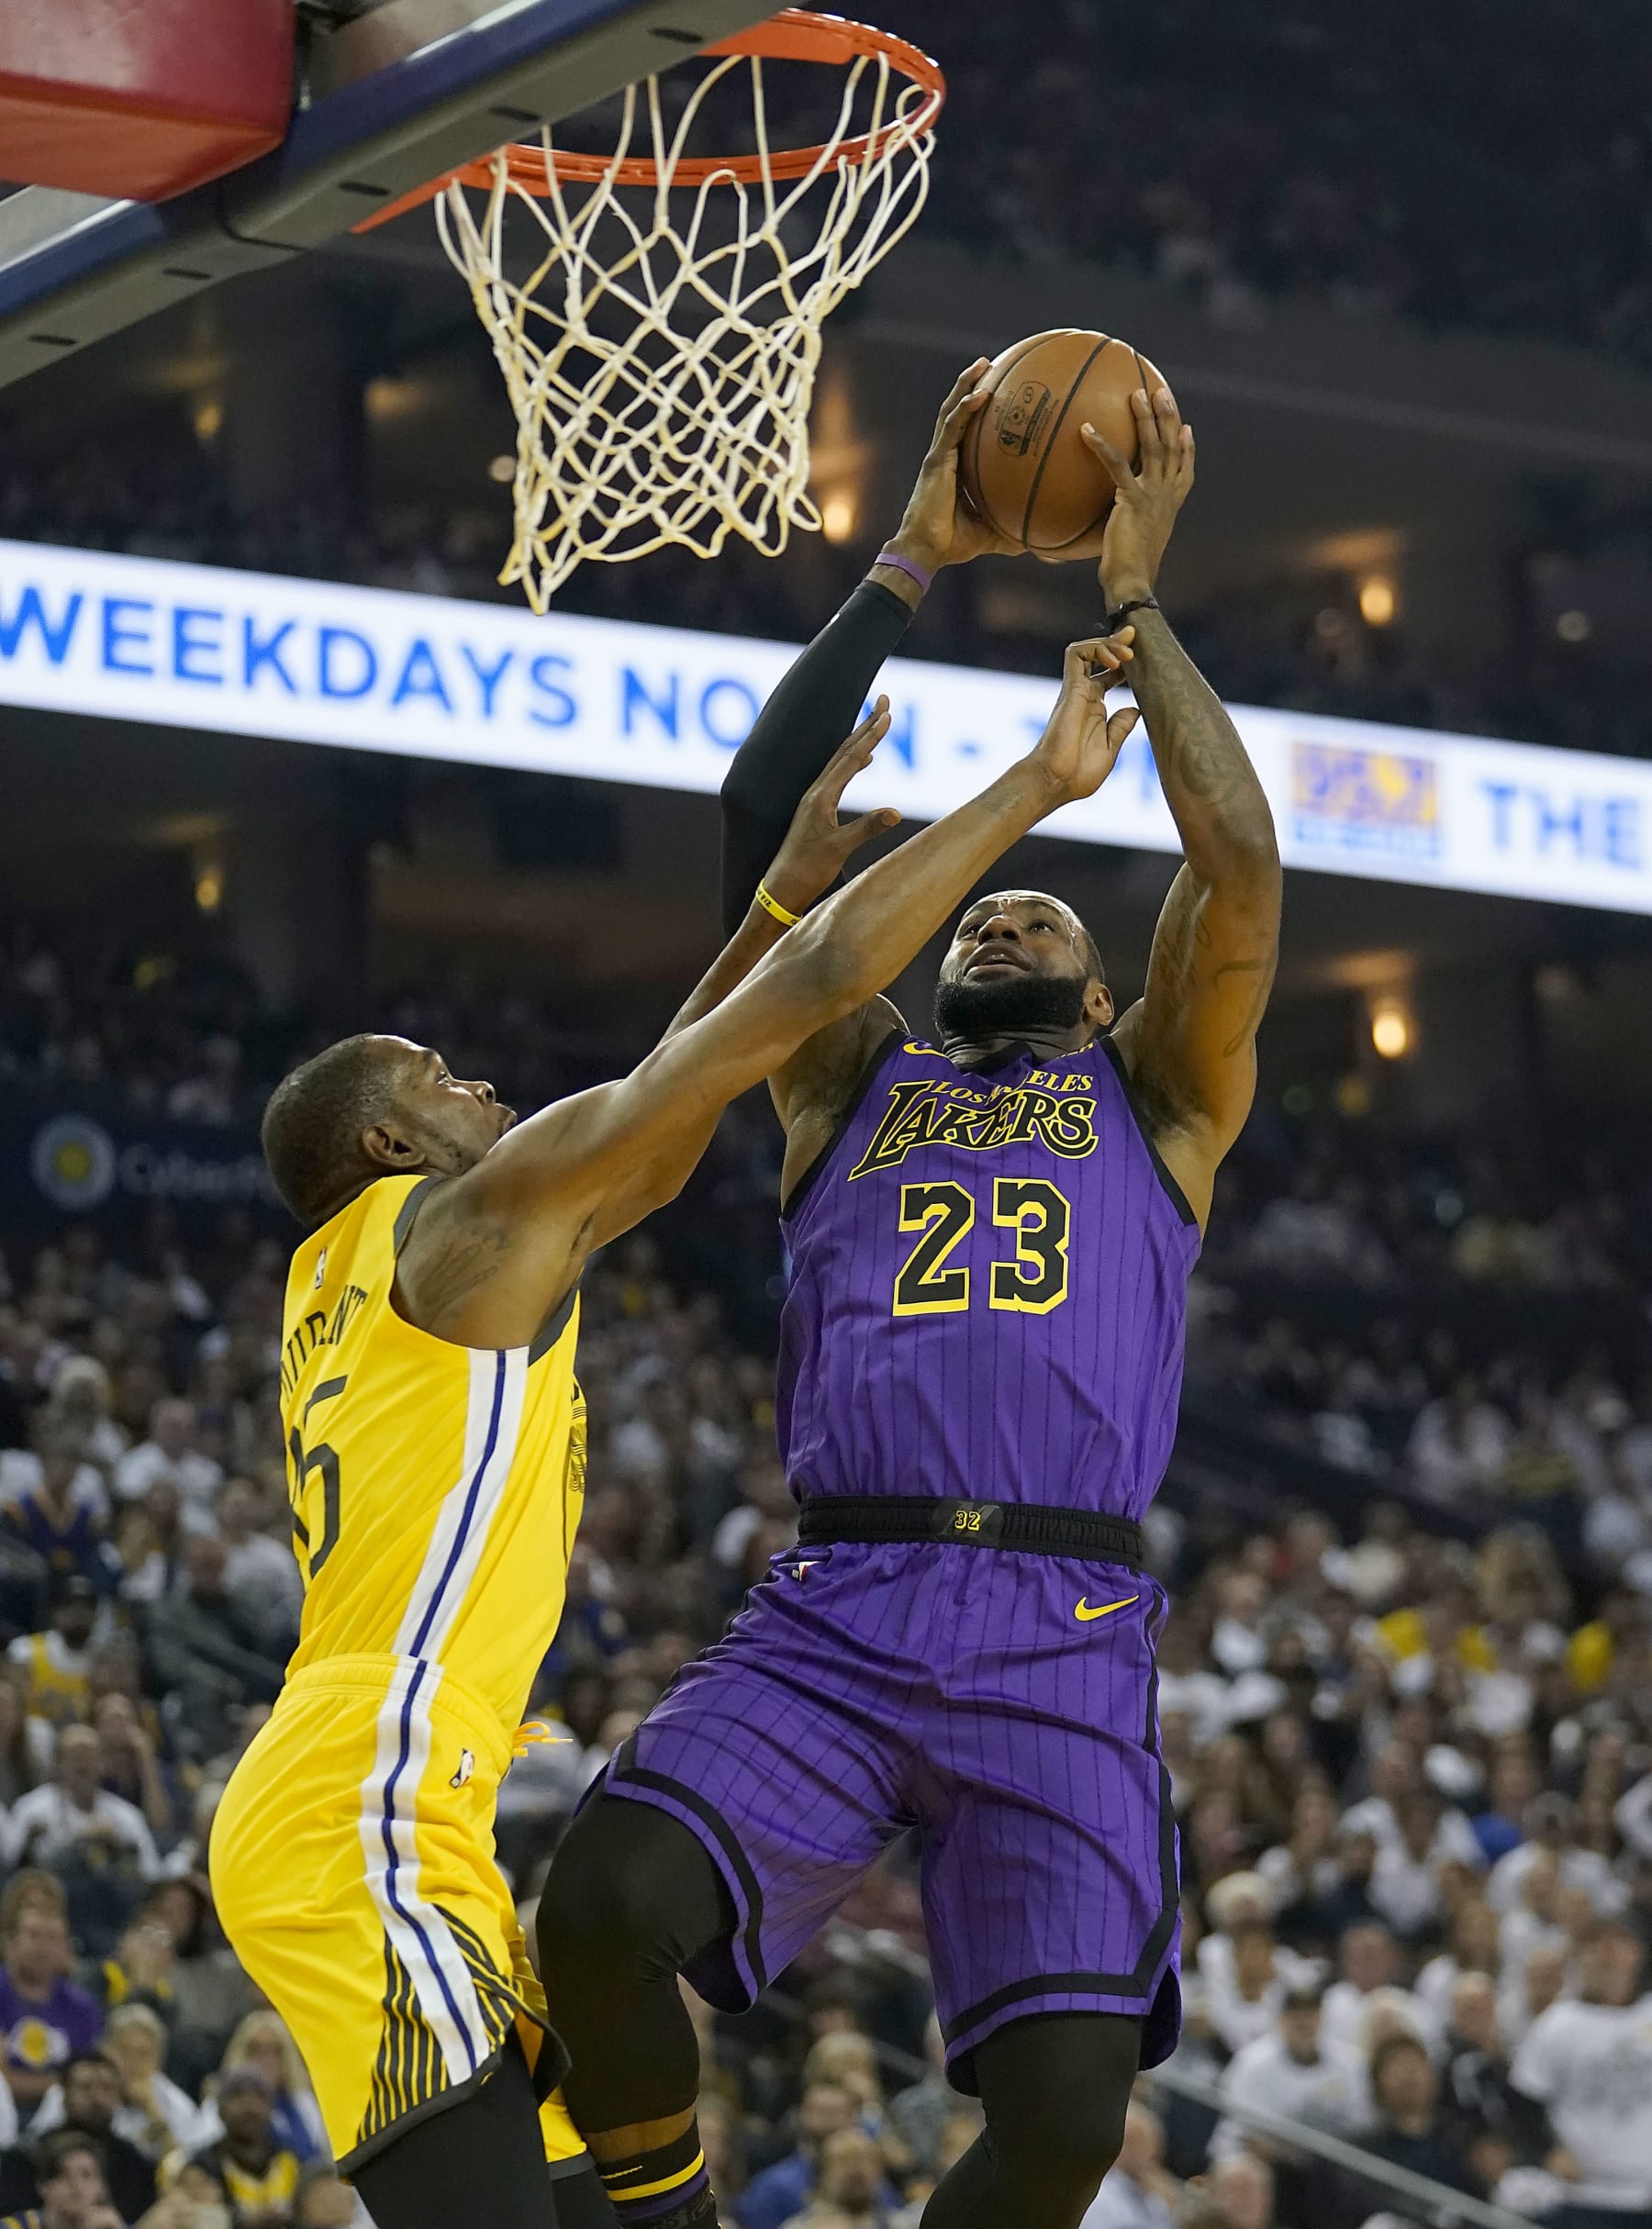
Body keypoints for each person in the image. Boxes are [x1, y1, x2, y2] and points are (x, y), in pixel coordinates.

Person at [208, 595, 1142, 2229]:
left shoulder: (393, 1255)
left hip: (386, 1802)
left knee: (590, 2196)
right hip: (363, 1806)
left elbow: (679, 1086)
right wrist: (1022, 791)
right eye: (437, 1073)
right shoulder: (466, 1222)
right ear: (379, 1143)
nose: (479, 1085)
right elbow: (804, 998)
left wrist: (783, 870)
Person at [540, 373, 1282, 2229]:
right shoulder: (841, 1073)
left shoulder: (1164, 1102)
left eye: (1041, 915)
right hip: (847, 1591)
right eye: (976, 912)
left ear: (1109, 998)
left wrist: (1139, 609)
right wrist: (910, 559)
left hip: (1064, 1607)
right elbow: (756, 820)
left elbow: (1243, 863)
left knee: (1063, 2113)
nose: (1000, 913)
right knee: (602, 1903)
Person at [1510, 1916, 1652, 2227]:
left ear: (1637, 1954)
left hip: (1645, 2193)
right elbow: (1522, 2104)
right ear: (1581, 1957)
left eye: (1618, 1943)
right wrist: (1547, 2152)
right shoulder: (1558, 2024)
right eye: (1598, 1945)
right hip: (1580, 2196)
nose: (1608, 1954)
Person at [2, 2053, 157, 2223]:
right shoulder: (26, 2158)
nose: (97, 2098)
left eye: (107, 2088)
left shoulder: (137, 2166)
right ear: (64, 2093)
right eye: (85, 2087)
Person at [0, 1904, 103, 2114]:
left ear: (66, 1948)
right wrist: (61, 2081)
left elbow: (87, 2083)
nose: (43, 1946)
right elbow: (4, 2081)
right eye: (34, 1935)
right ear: (11, 1943)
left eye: (53, 1938)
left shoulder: (83, 2008)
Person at [173, 2067, 299, 2225]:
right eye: (237, 2095)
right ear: (218, 2109)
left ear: (272, 2108)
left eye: (260, 2096)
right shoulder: (200, 2167)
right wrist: (247, 2222)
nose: (250, 2106)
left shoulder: (291, 2162)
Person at [733, 2087, 860, 2229]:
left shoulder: (871, 2186)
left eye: (836, 2112)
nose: (828, 2120)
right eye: (821, 2111)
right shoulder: (773, 2186)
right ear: (802, 2114)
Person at [1078, 2103, 1178, 2229]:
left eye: (1153, 2147)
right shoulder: (1101, 2193)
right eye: (1138, 2144)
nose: (1149, 2154)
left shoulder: (1154, 2199)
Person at [0, 2129, 126, 2229]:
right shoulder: (12, 2226)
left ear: (102, 2187)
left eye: (86, 2175)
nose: (76, 2184)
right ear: (42, 2185)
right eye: (63, 2175)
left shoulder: (112, 2225)